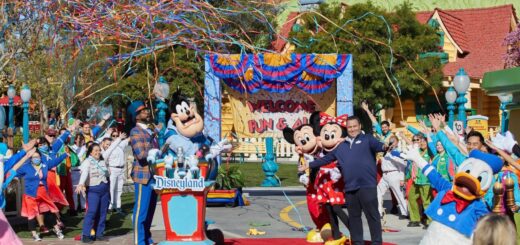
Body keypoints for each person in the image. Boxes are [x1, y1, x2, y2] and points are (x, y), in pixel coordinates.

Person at [301, 116, 387, 245]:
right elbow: (327, 158)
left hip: (367, 186)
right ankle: (357, 242)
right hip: (350, 187)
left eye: (354, 126)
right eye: (349, 127)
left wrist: (387, 145)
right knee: (354, 217)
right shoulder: (342, 146)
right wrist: (310, 165)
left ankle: (376, 242)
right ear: (347, 128)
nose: (352, 129)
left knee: (372, 216)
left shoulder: (368, 139)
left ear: (359, 126)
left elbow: (382, 146)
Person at [16, 148, 66, 241]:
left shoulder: (44, 165)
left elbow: (55, 162)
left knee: (48, 212)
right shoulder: (26, 167)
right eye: (34, 157)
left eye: (38, 157)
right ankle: (34, 234)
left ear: (40, 157)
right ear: (30, 158)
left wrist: (64, 155)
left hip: (43, 192)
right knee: (31, 214)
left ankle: (57, 230)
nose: (36, 158)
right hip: (30, 194)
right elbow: (14, 172)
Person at [129, 101, 160, 245]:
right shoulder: (135, 131)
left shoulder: (148, 129)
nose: (146, 112)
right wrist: (153, 137)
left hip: (154, 176)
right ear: (136, 116)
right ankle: (139, 241)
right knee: (141, 212)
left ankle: (147, 238)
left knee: (150, 212)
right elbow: (141, 155)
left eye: (146, 110)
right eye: (142, 111)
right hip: (143, 176)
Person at [76, 143, 111, 243]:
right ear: (90, 152)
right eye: (95, 150)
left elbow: (110, 150)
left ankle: (99, 233)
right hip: (93, 190)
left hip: (104, 189)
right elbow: (85, 173)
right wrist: (81, 183)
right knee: (92, 212)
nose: (98, 152)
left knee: (103, 212)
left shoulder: (102, 161)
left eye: (99, 150)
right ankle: (86, 235)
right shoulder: (87, 162)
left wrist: (119, 139)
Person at [377, 136, 408, 218]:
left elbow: (402, 166)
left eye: (393, 141)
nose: (391, 142)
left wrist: (402, 179)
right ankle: (379, 212)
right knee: (378, 192)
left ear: (397, 142)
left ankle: (405, 212)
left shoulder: (397, 152)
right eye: (390, 140)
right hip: (385, 175)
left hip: (394, 174)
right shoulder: (386, 151)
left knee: (399, 194)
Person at [102, 130, 129, 214]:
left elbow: (129, 139)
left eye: (116, 135)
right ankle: (110, 206)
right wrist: (119, 138)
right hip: (113, 169)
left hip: (121, 169)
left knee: (119, 189)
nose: (115, 137)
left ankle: (118, 206)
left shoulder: (120, 145)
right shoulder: (108, 149)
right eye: (113, 135)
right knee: (112, 188)